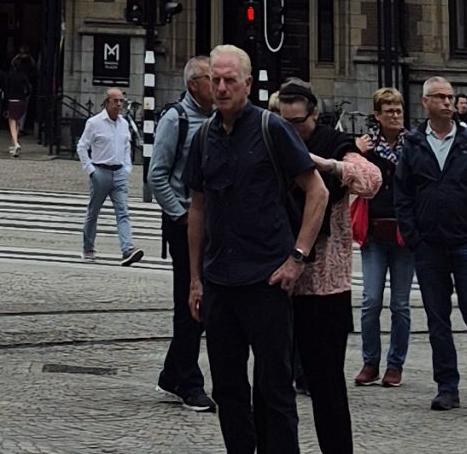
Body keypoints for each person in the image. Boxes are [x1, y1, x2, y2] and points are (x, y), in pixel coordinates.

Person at [184, 42, 321, 454]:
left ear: (248, 83)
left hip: (266, 281)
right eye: (216, 80)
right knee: (227, 387)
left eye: (230, 80)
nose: (222, 88)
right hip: (220, 282)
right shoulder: (204, 136)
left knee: (274, 389)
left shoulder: (271, 129)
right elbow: (198, 207)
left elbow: (316, 191)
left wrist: (297, 258)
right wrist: (194, 279)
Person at [393, 74, 467, 418]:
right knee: (437, 320)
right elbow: (404, 195)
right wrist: (413, 236)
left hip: (466, 245)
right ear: (425, 102)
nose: (447, 102)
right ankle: (447, 387)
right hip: (429, 247)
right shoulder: (413, 145)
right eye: (440, 97)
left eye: (450, 97)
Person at [276, 77, 378, 454]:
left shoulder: (332, 143)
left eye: (298, 122)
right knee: (274, 384)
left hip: (324, 287)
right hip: (278, 282)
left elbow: (371, 180)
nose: (291, 130)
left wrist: (330, 166)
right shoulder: (271, 140)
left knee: (326, 386)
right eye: (283, 121)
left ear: (315, 115)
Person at [149, 55, 218, 412]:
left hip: (213, 224)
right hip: (184, 225)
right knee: (191, 302)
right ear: (194, 85)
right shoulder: (175, 119)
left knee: (204, 303)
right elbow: (156, 175)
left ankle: (172, 372)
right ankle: (188, 381)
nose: (218, 86)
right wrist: (181, 216)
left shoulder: (218, 118)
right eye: (211, 79)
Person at [351, 85, 414, 388]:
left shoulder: (413, 146)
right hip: (375, 232)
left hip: (403, 234)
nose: (395, 114)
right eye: (389, 110)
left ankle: (395, 364)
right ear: (377, 115)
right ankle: (370, 361)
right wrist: (357, 152)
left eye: (399, 109)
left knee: (400, 304)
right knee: (371, 300)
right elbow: (350, 178)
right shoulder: (367, 148)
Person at [78, 85, 145, 263]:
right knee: (93, 212)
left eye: (121, 101)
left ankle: (127, 249)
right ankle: (88, 247)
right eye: (115, 101)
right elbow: (82, 146)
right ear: (106, 103)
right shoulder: (94, 123)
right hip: (100, 171)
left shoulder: (124, 124)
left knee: (123, 212)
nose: (119, 104)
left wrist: (127, 168)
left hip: (119, 173)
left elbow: (126, 147)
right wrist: (91, 170)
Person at [3, 49, 36, 158]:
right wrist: (25, 95)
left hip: (12, 100)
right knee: (17, 123)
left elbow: (6, 89)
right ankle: (13, 144)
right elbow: (29, 88)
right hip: (21, 101)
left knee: (12, 123)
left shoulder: (10, 76)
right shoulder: (23, 76)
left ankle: (16, 144)